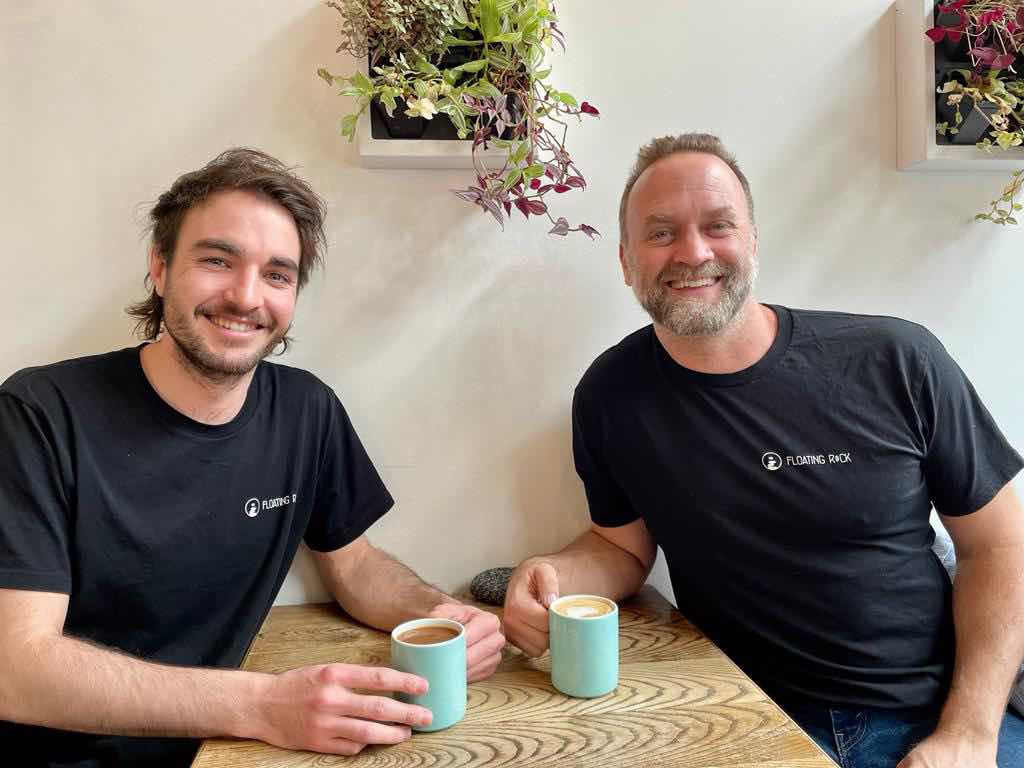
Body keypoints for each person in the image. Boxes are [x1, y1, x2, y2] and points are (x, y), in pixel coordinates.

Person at [502, 133, 1024, 768]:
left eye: (718, 226)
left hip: (936, 713)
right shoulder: (611, 394)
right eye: (661, 233)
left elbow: (1000, 546)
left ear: (752, 240)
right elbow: (621, 548)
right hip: (747, 716)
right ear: (625, 260)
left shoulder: (897, 359)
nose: (693, 252)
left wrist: (969, 733)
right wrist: (553, 575)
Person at [0, 148, 505, 767]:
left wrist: (441, 614)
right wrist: (264, 704)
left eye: (277, 275)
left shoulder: (306, 410)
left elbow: (354, 565)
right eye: (217, 260)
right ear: (159, 266)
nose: (245, 296)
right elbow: (15, 668)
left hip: (224, 751)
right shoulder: (38, 413)